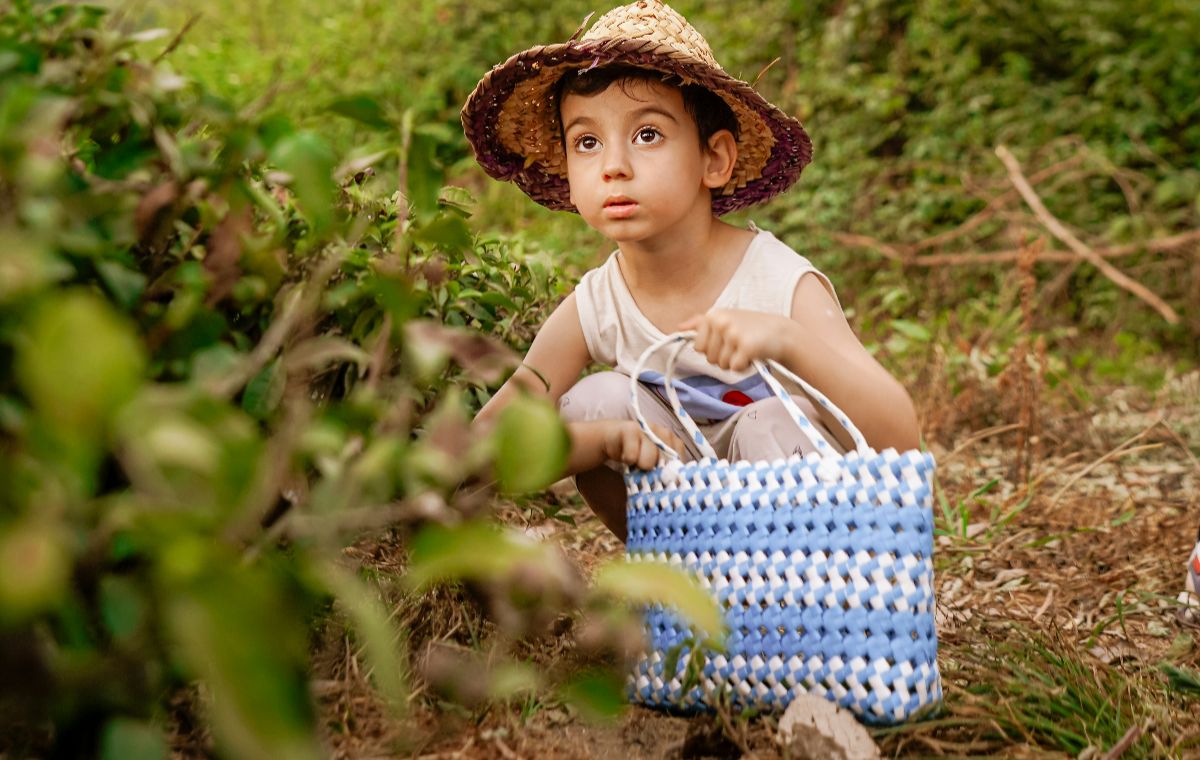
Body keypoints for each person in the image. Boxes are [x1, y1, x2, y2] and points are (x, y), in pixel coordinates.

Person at [462, 0, 919, 541]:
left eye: (647, 134)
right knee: (595, 402)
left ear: (714, 160)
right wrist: (601, 441)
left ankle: (797, 612)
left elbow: (902, 439)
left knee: (771, 420)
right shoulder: (599, 304)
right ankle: (683, 584)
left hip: (808, 552)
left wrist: (789, 341)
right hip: (690, 536)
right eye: (587, 142)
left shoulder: (778, 281)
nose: (614, 166)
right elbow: (481, 451)